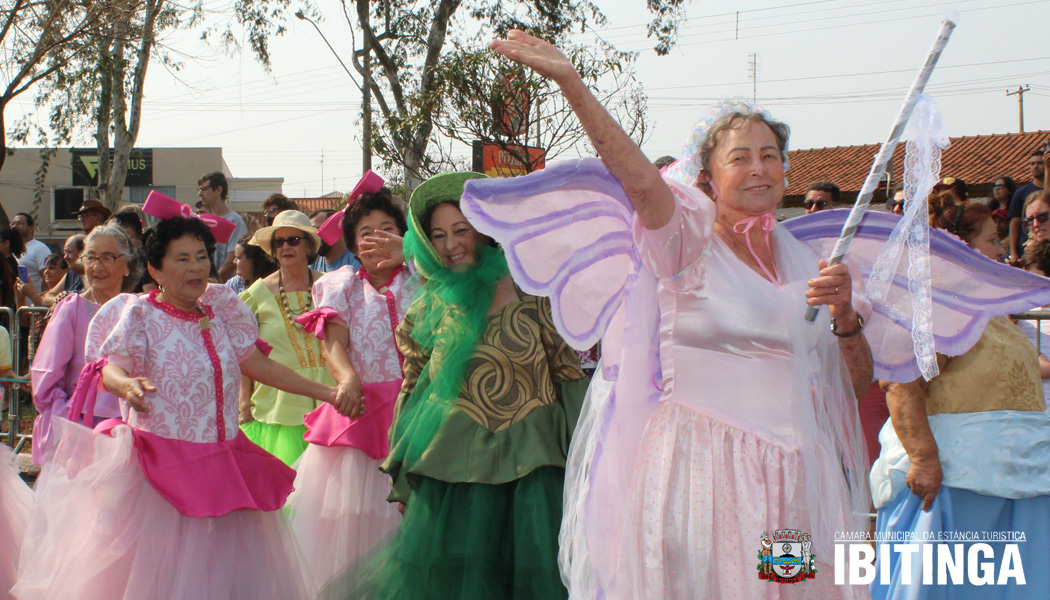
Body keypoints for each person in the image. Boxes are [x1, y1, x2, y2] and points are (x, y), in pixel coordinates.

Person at [486, 31, 872, 599]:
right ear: (708, 175)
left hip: (794, 481)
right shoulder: (686, 243)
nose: (760, 168)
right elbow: (640, 183)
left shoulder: (808, 260)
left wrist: (843, 313)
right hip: (704, 473)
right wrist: (572, 84)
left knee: (790, 590)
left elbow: (853, 383)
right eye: (740, 157)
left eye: (771, 155)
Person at [13, 216, 346, 599]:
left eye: (202, 257)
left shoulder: (222, 309)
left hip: (223, 466)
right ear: (155, 269)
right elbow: (111, 369)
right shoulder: (138, 314)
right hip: (160, 478)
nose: (196, 267)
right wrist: (127, 385)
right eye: (182, 259)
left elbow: (259, 365)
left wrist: (328, 394)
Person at [342, 171, 588, 598]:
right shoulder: (427, 307)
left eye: (461, 230)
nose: (451, 244)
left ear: (486, 230)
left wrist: (587, 461)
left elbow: (566, 375)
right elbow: (414, 391)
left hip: (535, 477)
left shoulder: (537, 292)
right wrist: (403, 475)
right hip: (452, 475)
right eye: (438, 235)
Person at [869, 198, 1050, 599]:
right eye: (991, 239)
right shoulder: (941, 305)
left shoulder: (985, 308)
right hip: (956, 479)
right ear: (962, 246)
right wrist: (922, 459)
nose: (1002, 248)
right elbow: (901, 382)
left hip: (1021, 474)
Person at [287, 188, 411, 595]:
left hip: (421, 413)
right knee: (355, 532)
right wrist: (348, 379)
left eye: (387, 230)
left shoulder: (425, 277)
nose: (376, 239)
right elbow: (333, 345)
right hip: (360, 418)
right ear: (353, 242)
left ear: (405, 235)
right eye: (366, 232)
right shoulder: (340, 285)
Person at [30, 224, 139, 465]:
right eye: (90, 257)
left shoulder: (139, 309)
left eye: (108, 258)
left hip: (132, 428)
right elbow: (45, 379)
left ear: (127, 266)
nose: (97, 266)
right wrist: (70, 421)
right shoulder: (72, 309)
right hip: (81, 430)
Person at [239, 210, 334, 466]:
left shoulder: (331, 287)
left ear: (309, 246)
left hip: (331, 403)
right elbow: (243, 353)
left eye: (293, 240)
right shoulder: (254, 295)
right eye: (278, 242)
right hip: (279, 408)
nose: (285, 247)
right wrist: (243, 402)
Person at [198, 171, 248, 281]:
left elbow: (232, 261)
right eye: (199, 189)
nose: (200, 194)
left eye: (204, 189)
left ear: (218, 190)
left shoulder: (235, 222)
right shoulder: (204, 222)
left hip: (225, 287)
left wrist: (212, 283)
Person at [1007, 148, 1048, 264]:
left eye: (1040, 163)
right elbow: (1014, 224)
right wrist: (1013, 252)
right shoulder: (1021, 193)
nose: (1035, 166)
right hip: (1026, 248)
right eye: (1032, 163)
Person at [12, 213, 50, 289]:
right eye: (13, 224)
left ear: (31, 227)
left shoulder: (40, 248)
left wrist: (41, 298)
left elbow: (47, 278)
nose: (15, 227)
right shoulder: (10, 248)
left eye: (19, 223)